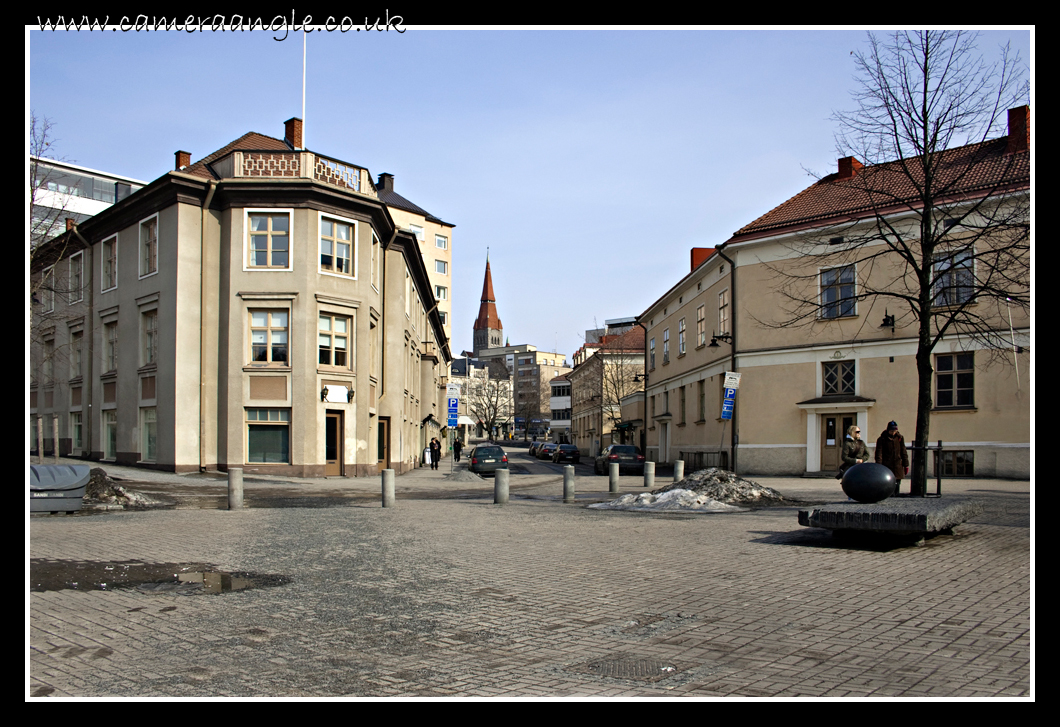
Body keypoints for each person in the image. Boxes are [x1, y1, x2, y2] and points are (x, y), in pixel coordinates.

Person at [875, 420, 909, 494]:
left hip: (898, 464)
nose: (893, 433)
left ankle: (896, 493)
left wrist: (906, 464)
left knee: (897, 481)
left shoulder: (900, 438)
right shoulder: (882, 439)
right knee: (888, 480)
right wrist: (879, 465)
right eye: (891, 431)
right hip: (887, 463)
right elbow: (879, 453)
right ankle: (889, 493)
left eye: (895, 431)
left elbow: (903, 451)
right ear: (888, 430)